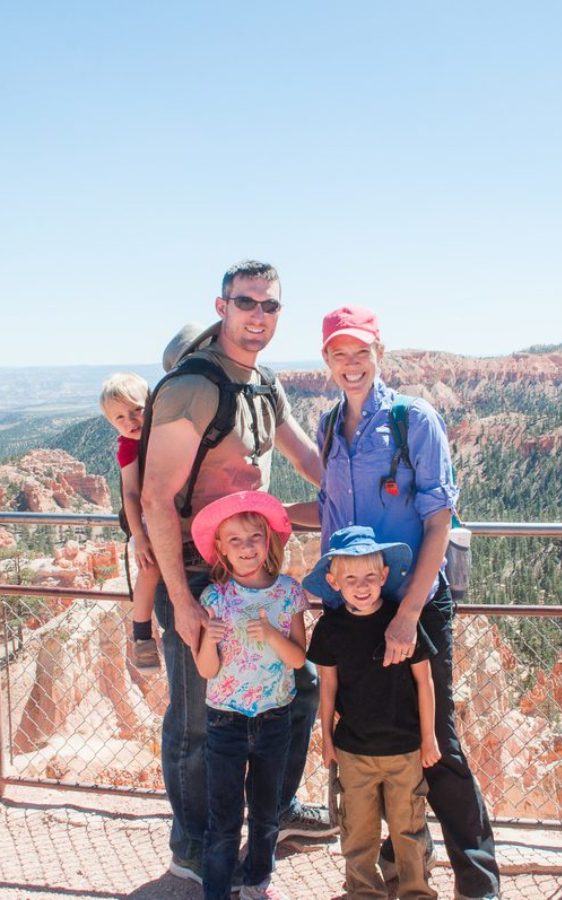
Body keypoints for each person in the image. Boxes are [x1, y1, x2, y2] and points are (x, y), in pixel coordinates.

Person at [293, 306, 500, 900]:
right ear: (326, 360)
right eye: (339, 354)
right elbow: (332, 518)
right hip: (352, 604)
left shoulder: (415, 420)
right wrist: (275, 517)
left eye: (361, 353)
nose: (350, 365)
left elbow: (438, 520)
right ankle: (395, 867)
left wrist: (408, 613)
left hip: (410, 604)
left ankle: (478, 882)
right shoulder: (331, 425)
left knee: (435, 740)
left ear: (379, 353)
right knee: (368, 728)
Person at [141, 260, 334, 887]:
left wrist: (378, 492)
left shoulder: (263, 385)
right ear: (222, 306)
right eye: (246, 302)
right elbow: (155, 499)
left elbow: (309, 459)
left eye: (270, 306)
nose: (258, 315)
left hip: (254, 567)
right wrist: (183, 599)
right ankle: (193, 845)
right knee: (199, 718)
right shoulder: (193, 387)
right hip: (197, 573)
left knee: (296, 689)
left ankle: (272, 813)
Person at [305, 525, 440, 899]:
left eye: (369, 576)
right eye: (350, 578)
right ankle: (364, 891)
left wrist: (428, 738)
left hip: (405, 748)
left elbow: (423, 682)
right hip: (353, 750)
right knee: (358, 831)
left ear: (383, 576)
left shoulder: (401, 623)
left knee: (409, 828)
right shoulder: (329, 630)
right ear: (334, 582)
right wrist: (328, 740)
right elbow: (327, 687)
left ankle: (416, 891)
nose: (361, 586)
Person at [192, 490, 308, 900]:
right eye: (235, 540)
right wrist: (209, 639)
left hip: (275, 716)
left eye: (254, 537)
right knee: (223, 818)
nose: (246, 547)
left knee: (265, 813)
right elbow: (207, 669)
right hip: (225, 719)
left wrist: (273, 635)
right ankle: (218, 890)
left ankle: (257, 880)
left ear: (268, 541)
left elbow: (298, 660)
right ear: (220, 548)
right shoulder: (214, 599)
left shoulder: (288, 594)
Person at [100, 372, 161, 670]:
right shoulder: (128, 447)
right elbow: (130, 492)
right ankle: (142, 637)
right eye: (119, 418)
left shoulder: (163, 433)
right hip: (148, 519)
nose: (130, 421)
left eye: (137, 410)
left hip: (172, 512)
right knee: (149, 568)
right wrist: (139, 537)